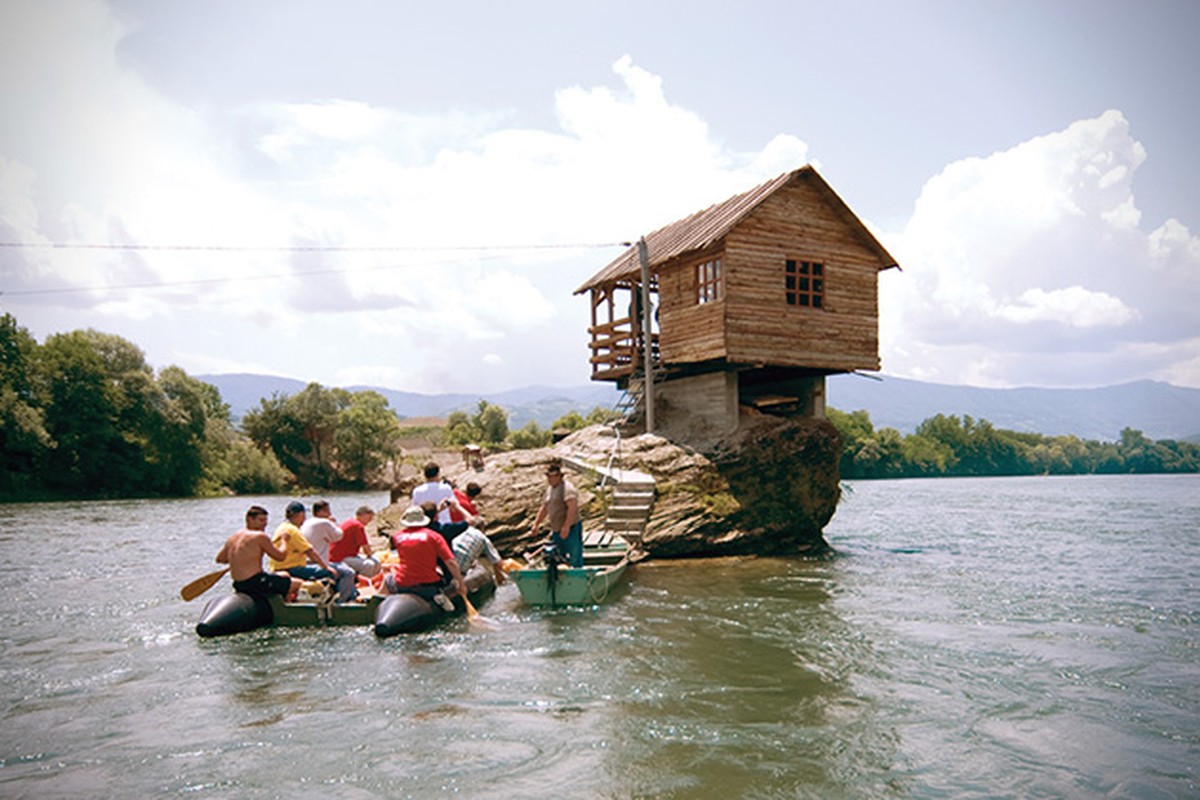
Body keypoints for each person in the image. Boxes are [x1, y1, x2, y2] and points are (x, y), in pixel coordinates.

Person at [383, 505, 466, 611]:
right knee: (440, 576)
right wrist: (461, 583)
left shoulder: (397, 537)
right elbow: (451, 562)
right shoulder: (434, 536)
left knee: (388, 577)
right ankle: (437, 596)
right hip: (428, 584)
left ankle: (383, 600)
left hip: (403, 583)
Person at [215, 505, 301, 600]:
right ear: (249, 519)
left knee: (284, 574)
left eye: (265, 521)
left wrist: (241, 558)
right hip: (256, 583)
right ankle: (286, 610)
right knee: (299, 584)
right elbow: (280, 557)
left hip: (239, 584)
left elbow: (221, 559)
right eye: (261, 520)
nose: (264, 524)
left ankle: (281, 602)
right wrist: (284, 541)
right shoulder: (260, 536)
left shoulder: (234, 537)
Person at [415, 501, 506, 586]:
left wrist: (438, 510)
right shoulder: (445, 529)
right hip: (449, 569)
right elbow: (470, 520)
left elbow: (429, 519)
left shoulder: (418, 530)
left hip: (431, 565)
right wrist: (457, 506)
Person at [300, 499, 357, 602]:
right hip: (319, 562)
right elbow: (339, 536)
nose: (330, 513)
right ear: (320, 512)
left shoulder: (307, 522)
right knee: (349, 573)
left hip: (306, 562)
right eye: (327, 511)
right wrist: (333, 523)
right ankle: (341, 601)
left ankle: (344, 593)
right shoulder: (324, 522)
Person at [268, 501, 336, 585]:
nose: (304, 519)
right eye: (304, 515)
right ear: (300, 514)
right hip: (290, 569)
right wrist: (326, 567)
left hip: (277, 567)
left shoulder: (282, 527)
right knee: (328, 573)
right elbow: (310, 552)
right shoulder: (293, 530)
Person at [531, 462, 583, 567]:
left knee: (574, 556)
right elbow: (545, 507)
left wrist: (566, 527)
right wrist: (536, 524)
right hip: (556, 529)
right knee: (558, 556)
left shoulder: (567, 489)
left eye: (552, 476)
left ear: (559, 476)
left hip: (571, 528)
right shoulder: (550, 489)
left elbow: (572, 509)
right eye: (548, 476)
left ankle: (578, 576)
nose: (549, 479)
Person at [331, 505, 381, 578]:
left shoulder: (350, 521)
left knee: (376, 561)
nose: (370, 521)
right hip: (340, 558)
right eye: (369, 518)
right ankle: (362, 583)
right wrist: (370, 555)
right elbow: (366, 549)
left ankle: (370, 579)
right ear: (363, 515)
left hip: (342, 555)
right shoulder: (358, 526)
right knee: (369, 565)